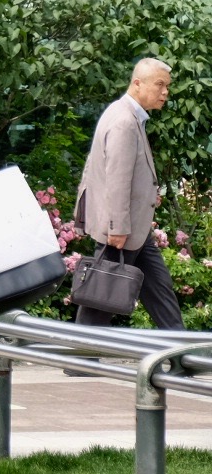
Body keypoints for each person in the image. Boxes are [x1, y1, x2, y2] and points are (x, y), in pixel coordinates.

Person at [74, 58, 182, 330]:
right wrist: (117, 227)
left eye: (167, 86)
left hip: (134, 228)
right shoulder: (124, 120)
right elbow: (117, 180)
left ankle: (183, 352)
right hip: (122, 230)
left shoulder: (125, 115)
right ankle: (78, 358)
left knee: (159, 289)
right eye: (159, 85)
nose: (165, 92)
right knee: (100, 297)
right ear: (137, 83)